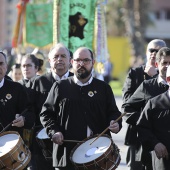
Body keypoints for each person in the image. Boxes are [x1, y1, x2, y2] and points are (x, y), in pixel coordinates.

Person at [40, 47, 122, 170]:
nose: (81, 64)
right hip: (67, 154)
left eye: (86, 60)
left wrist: (115, 123)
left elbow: (113, 113)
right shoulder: (60, 87)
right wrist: (54, 131)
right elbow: (46, 114)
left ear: (93, 63)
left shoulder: (103, 88)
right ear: (72, 62)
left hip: (97, 153)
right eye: (78, 60)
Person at [122, 47, 170, 169]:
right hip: (153, 150)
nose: (167, 66)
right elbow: (127, 109)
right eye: (165, 63)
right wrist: (145, 120)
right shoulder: (147, 86)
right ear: (157, 64)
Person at [31, 43, 74, 170]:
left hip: (70, 143)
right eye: (55, 56)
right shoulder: (38, 82)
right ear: (49, 60)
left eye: (63, 56)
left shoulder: (76, 81)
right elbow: (30, 110)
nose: (59, 59)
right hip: (42, 144)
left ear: (70, 60)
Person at [136, 65, 170, 170]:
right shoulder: (154, 104)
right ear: (168, 79)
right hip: (163, 161)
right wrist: (155, 143)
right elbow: (142, 128)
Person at [0, 50, 35, 145]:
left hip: (11, 146)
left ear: (6, 66)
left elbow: (30, 113)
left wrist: (24, 119)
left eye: (1, 63)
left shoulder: (17, 88)